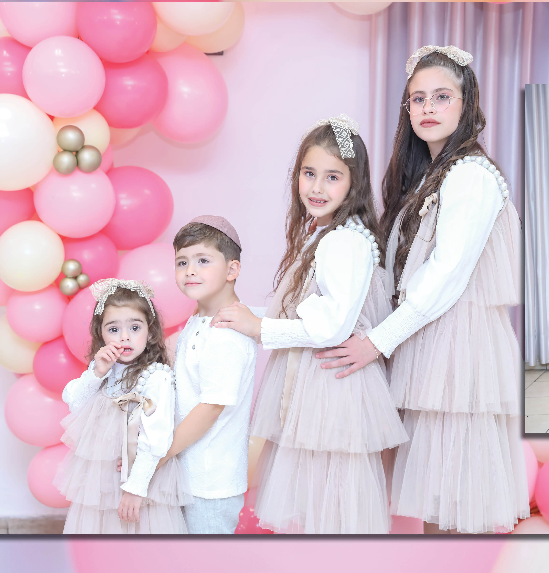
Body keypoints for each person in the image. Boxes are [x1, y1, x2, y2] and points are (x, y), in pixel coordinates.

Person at [314, 45, 528, 534]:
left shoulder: (470, 174)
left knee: (453, 500)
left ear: (466, 104)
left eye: (442, 96)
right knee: (438, 501)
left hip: (457, 348)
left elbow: (446, 273)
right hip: (428, 341)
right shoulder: (429, 177)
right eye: (418, 99)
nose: (428, 108)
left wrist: (378, 341)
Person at [210, 116, 407, 533]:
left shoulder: (344, 240)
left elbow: (332, 327)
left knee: (333, 502)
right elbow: (303, 311)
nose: (317, 187)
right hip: (319, 380)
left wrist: (260, 328)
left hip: (332, 384)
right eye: (308, 173)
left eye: (332, 177)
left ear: (353, 183)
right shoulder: (324, 233)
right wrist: (250, 317)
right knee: (318, 500)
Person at [57, 279, 188, 533]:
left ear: (150, 332)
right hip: (104, 480)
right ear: (101, 334)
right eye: (113, 329)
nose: (124, 336)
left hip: (141, 480)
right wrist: (97, 373)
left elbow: (157, 439)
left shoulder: (156, 376)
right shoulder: (104, 370)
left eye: (135, 327)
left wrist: (135, 489)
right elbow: (74, 402)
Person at [162, 216, 258, 533]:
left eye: (203, 260)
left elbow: (211, 407)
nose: (190, 270)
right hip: (191, 472)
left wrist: (160, 454)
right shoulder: (201, 317)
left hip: (210, 481)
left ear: (232, 270)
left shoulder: (226, 333)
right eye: (182, 262)